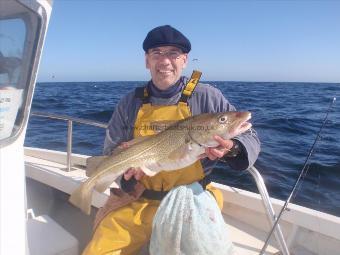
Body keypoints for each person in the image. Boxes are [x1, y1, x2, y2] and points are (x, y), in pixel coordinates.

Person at [83, 25, 260, 255]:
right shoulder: (129, 103)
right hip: (137, 200)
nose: (165, 61)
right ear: (147, 61)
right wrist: (126, 179)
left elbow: (251, 137)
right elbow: (112, 151)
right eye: (156, 53)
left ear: (184, 60)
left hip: (194, 199)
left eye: (173, 54)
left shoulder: (207, 96)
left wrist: (233, 149)